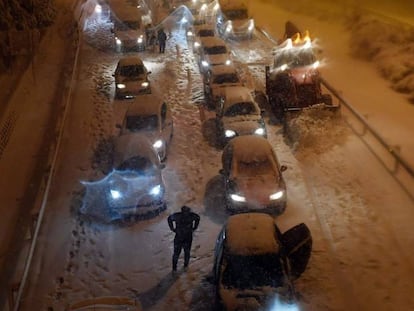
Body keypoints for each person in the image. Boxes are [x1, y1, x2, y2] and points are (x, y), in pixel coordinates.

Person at [167, 205, 200, 271]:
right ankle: (177, 267)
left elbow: (197, 218)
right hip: (182, 237)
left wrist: (173, 228)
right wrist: (172, 228)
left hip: (183, 237)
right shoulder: (189, 216)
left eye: (187, 211)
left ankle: (183, 266)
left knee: (183, 252)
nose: (186, 213)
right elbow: (169, 219)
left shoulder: (179, 216)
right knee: (180, 253)